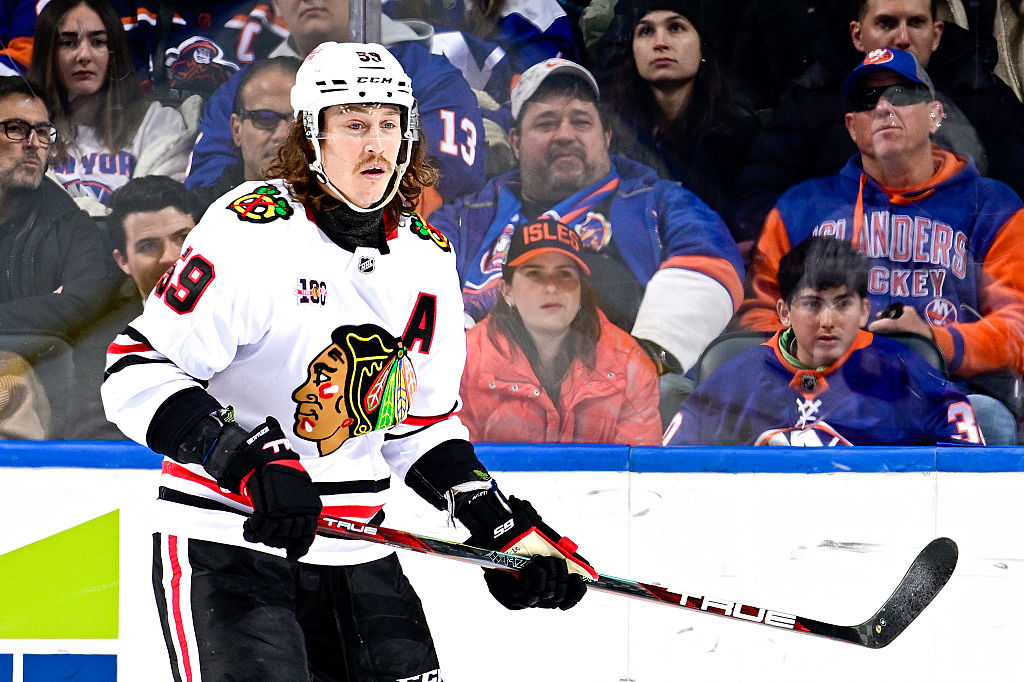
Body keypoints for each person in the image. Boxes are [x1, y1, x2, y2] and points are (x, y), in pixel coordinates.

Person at [101, 42, 594, 680]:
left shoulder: (427, 257)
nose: (376, 145)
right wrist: (245, 462)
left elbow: (419, 426)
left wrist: (499, 525)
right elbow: (136, 371)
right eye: (355, 125)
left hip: (356, 546)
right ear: (312, 135)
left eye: (389, 124)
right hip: (228, 542)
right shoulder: (251, 231)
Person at [429, 57, 745, 424]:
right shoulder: (465, 217)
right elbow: (418, 290)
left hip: (623, 406)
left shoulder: (660, 202)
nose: (565, 134)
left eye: (581, 122)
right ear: (515, 141)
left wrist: (647, 360)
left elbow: (711, 263)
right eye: (546, 123)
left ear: (606, 136)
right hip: (482, 402)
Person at [735, 48, 1024, 444]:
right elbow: (760, 314)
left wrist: (935, 340)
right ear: (852, 127)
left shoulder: (993, 206)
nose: (884, 107)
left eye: (902, 94)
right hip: (819, 393)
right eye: (867, 100)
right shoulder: (800, 207)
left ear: (935, 114)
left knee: (987, 419)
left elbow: (1017, 326)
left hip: (942, 393)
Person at [732, 0, 1024, 244]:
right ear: (857, 36)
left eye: (916, 23)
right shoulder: (812, 100)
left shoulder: (982, 95)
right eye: (886, 23)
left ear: (936, 35)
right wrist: (816, 259)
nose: (902, 38)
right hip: (839, 275)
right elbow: (760, 197)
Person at [666, 236, 985, 446]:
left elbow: (967, 469)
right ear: (784, 312)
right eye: (812, 304)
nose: (828, 321)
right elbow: (672, 473)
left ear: (864, 311)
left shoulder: (904, 373)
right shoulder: (733, 380)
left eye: (843, 304)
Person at [185, 0, 487, 216]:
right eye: (265, 118)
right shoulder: (243, 89)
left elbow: (444, 181)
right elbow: (206, 191)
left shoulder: (428, 75)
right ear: (275, 4)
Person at [461, 217, 662, 444]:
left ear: (581, 290)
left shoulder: (630, 364)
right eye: (534, 274)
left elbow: (639, 464)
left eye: (564, 274)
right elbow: (454, 457)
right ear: (507, 291)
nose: (551, 287)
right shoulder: (463, 361)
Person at [0, 76, 118, 438]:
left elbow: (83, 306)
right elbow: (60, 309)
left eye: (42, 132)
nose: (33, 143)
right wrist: (43, 307)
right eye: (16, 129)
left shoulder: (72, 226)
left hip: (42, 403)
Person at [600, 0, 761, 239]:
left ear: (703, 46)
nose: (660, 43)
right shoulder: (611, 134)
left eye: (676, 28)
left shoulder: (740, 133)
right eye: (646, 31)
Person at [27, 0, 200, 209]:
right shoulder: (20, 132)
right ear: (47, 54)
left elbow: (158, 211)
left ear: (114, 51)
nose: (84, 55)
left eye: (98, 42)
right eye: (69, 43)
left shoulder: (156, 123)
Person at [70, 175, 202, 439]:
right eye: (148, 246)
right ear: (122, 261)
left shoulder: (249, 319)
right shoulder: (99, 347)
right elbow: (96, 438)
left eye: (182, 238)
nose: (171, 257)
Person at [191, 55, 300, 209]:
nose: (283, 135)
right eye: (265, 118)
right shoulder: (197, 215)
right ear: (236, 130)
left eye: (298, 121)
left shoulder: (336, 213)